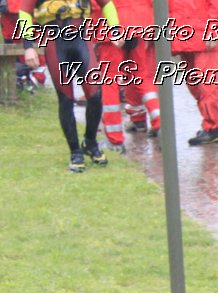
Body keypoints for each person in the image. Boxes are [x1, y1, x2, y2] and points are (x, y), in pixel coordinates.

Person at [15, 0, 111, 171]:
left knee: (95, 94)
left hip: (82, 40)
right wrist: (28, 46)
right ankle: (75, 152)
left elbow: (107, 3)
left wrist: (116, 28)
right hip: (56, 43)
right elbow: (25, 13)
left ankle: (90, 142)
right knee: (66, 99)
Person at [167, 0, 218, 145]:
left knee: (206, 85)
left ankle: (213, 127)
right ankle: (210, 125)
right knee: (194, 85)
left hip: (202, 37)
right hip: (183, 36)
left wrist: (213, 31)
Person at [97, 0, 156, 147]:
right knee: (141, 76)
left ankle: (115, 138)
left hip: (110, 25)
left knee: (110, 80)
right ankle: (160, 123)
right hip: (138, 21)